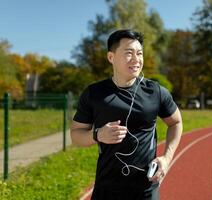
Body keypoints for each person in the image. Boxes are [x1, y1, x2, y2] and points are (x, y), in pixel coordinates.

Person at [70, 29, 182, 200]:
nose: (136, 60)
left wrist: (166, 158)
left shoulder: (156, 92)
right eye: (129, 53)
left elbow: (176, 123)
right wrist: (98, 134)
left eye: (139, 53)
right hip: (107, 189)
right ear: (111, 57)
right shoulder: (94, 93)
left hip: (145, 189)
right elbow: (76, 135)